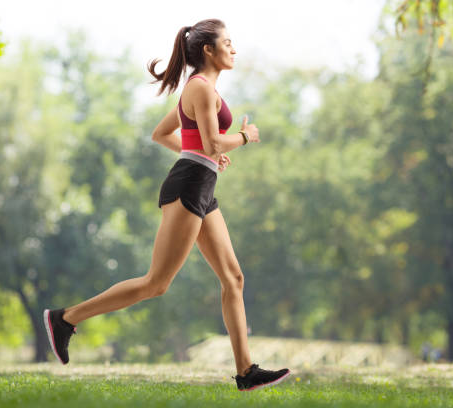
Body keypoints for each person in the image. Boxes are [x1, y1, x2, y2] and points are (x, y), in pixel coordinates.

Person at [43, 18, 291, 392]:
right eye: (228, 43)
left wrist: (211, 153)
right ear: (209, 50)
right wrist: (244, 136)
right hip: (188, 186)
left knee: (233, 278)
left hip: (201, 185)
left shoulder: (201, 90)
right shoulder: (201, 89)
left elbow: (165, 135)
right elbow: (211, 143)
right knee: (156, 283)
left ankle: (246, 372)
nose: (234, 49)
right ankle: (66, 318)